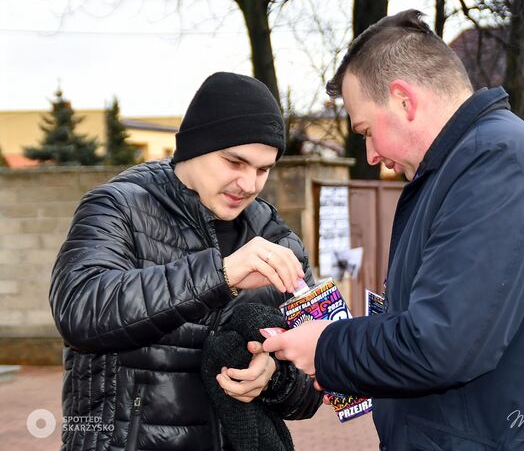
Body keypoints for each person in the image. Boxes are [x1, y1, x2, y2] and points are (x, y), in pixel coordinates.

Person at [263, 10, 524, 450]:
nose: (369, 154)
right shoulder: (463, 168)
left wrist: (326, 348)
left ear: (404, 101)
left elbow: (441, 344)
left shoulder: (496, 164)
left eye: (366, 130)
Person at [49, 72, 322, 451]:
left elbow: (312, 389)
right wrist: (221, 274)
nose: (249, 184)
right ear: (194, 147)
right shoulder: (117, 207)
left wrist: (273, 377)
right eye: (234, 162)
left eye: (263, 169)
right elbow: (79, 310)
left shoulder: (277, 238)